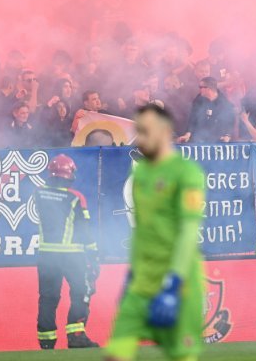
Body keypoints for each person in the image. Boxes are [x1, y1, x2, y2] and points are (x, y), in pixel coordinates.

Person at [105, 104, 206, 361]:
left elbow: (188, 232)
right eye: (138, 131)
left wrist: (174, 283)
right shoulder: (139, 176)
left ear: (166, 131)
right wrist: (131, 276)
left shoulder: (187, 173)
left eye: (146, 131)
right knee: (116, 354)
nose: (140, 138)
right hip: (142, 282)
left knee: (181, 357)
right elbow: (142, 230)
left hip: (179, 284)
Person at [34, 154, 99, 350]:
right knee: (81, 293)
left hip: (46, 255)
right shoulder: (75, 198)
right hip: (72, 255)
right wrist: (94, 256)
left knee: (48, 297)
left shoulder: (39, 193)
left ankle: (46, 341)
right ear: (70, 174)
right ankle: (76, 337)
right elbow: (84, 230)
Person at [177, 77, 236, 143]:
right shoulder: (199, 99)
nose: (199, 89)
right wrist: (188, 134)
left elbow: (230, 121)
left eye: (201, 87)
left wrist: (227, 135)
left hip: (217, 140)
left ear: (208, 88)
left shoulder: (224, 103)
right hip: (199, 138)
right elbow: (192, 118)